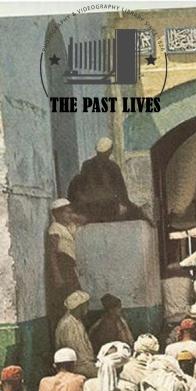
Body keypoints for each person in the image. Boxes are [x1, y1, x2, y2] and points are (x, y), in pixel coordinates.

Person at [67, 137, 144, 223]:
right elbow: (121, 191)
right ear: (110, 151)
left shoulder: (86, 165)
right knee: (138, 213)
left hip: (90, 207)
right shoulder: (112, 166)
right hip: (109, 207)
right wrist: (125, 204)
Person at [46, 198, 81, 328]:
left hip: (69, 265)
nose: (70, 215)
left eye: (70, 212)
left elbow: (80, 220)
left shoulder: (68, 227)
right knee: (67, 298)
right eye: (67, 212)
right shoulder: (55, 228)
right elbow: (52, 253)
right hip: (62, 266)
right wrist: (57, 275)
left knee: (75, 297)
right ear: (57, 214)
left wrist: (72, 216)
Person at [54, 290, 97, 378]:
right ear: (79, 307)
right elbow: (77, 352)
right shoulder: (69, 324)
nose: (87, 308)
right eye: (86, 305)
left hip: (83, 362)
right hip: (75, 365)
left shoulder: (76, 321)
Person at [161, 263, 193, 335]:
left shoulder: (162, 282)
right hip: (185, 317)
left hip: (169, 318)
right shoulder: (188, 281)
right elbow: (191, 297)